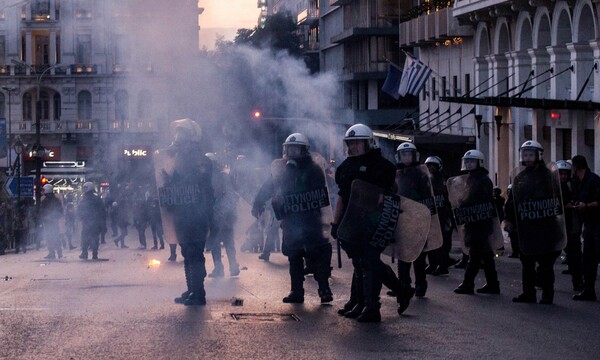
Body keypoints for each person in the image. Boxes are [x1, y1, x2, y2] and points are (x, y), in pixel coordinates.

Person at [331, 124, 406, 323]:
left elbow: (389, 193)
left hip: (374, 222)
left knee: (369, 262)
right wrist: (336, 222)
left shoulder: (381, 166)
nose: (353, 147)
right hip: (352, 222)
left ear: (368, 143)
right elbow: (342, 197)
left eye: (357, 142)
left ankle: (372, 307)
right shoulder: (345, 168)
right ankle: (362, 301)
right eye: (350, 143)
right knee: (360, 262)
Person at [252, 133, 333, 304]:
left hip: (311, 220)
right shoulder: (282, 170)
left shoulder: (313, 169)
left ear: (304, 150)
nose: (292, 152)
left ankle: (324, 288)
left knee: (316, 255)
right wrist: (258, 202)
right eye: (289, 149)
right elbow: (269, 185)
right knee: (294, 256)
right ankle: (296, 291)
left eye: (296, 148)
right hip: (291, 220)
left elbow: (320, 191)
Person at [157, 118, 214, 306]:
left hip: (196, 214)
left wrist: (176, 182)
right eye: (177, 133)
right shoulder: (178, 158)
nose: (177, 136)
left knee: (194, 253)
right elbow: (175, 185)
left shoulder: (200, 159)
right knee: (186, 252)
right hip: (183, 214)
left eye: (182, 133)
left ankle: (199, 293)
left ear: (191, 136)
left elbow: (198, 182)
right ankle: (191, 289)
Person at [508, 141, 565, 304]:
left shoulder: (548, 176)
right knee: (527, 262)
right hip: (526, 227)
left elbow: (556, 199)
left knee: (545, 263)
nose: (527, 158)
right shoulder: (519, 177)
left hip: (545, 226)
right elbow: (513, 201)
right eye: (525, 154)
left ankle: (547, 294)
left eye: (530, 154)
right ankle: (528, 293)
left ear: (539, 155)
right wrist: (509, 218)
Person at [451, 150, 501, 296]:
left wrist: (464, 204)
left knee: (474, 255)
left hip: (480, 222)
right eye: (467, 161)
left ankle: (468, 284)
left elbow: (480, 201)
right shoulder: (471, 179)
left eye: (472, 161)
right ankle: (493, 284)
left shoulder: (483, 180)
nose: (468, 164)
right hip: (475, 222)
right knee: (486, 255)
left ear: (479, 163)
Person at [394, 142, 432, 297]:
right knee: (403, 255)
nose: (406, 157)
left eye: (409, 154)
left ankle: (420, 285)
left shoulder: (421, 173)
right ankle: (403, 285)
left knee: (419, 257)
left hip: (417, 219)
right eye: (404, 155)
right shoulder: (397, 174)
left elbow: (427, 196)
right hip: (403, 219)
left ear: (414, 155)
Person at [570, 155, 600, 301]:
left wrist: (586, 206)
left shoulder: (593, 180)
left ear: (575, 167)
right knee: (588, 259)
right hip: (588, 225)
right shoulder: (578, 182)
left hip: (597, 224)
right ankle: (589, 290)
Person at [206, 153, 240, 278]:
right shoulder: (224, 176)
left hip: (219, 214)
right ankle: (233, 265)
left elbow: (219, 195)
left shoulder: (213, 177)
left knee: (216, 241)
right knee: (228, 241)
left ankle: (219, 268)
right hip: (228, 214)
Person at [424, 155, 456, 275]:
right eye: (429, 166)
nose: (431, 168)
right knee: (430, 241)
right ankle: (432, 264)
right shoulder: (425, 181)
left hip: (443, 215)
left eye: (433, 166)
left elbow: (451, 198)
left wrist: (449, 215)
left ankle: (442, 265)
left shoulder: (444, 182)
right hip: (430, 214)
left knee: (441, 242)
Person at [557, 160, 584, 291]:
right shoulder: (552, 187)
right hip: (556, 225)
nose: (563, 176)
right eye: (560, 174)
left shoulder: (572, 186)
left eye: (565, 174)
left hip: (570, 225)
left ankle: (577, 281)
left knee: (575, 255)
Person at [77, 182, 106, 260]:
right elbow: (102, 211)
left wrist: (80, 217)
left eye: (85, 188)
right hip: (93, 221)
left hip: (90, 221)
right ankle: (93, 254)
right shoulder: (95, 198)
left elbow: (80, 209)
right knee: (93, 238)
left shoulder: (86, 198)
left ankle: (85, 253)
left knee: (86, 237)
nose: (84, 189)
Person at [40, 184, 64, 260]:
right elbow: (60, 212)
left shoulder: (45, 201)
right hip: (54, 222)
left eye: (44, 190)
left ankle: (52, 253)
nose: (43, 192)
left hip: (48, 223)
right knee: (55, 237)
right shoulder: (56, 200)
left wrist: (44, 218)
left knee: (49, 238)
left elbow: (42, 211)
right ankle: (59, 253)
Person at [503, 184, 520, 258]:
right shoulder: (510, 200)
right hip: (511, 221)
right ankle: (515, 252)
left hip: (514, 221)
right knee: (513, 238)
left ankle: (516, 252)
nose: (508, 193)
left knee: (515, 238)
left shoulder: (514, 200)